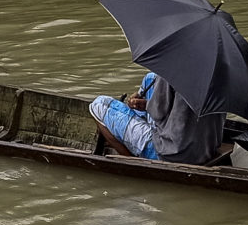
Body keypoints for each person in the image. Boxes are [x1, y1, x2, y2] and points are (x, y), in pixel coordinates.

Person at [90, 71, 225, 165]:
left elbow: (158, 112)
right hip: (207, 148)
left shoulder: (175, 65)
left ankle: (134, 164)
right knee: (150, 77)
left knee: (98, 105)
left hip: (171, 153)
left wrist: (144, 105)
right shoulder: (222, 70)